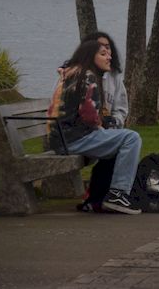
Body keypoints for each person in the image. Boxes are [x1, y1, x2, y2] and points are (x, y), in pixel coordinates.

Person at [47, 39, 143, 214]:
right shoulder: (87, 77)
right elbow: (89, 116)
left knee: (116, 143)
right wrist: (104, 127)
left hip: (61, 138)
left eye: (110, 54)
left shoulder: (74, 73)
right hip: (73, 139)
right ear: (91, 57)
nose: (109, 58)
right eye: (103, 54)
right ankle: (118, 194)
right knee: (131, 138)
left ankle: (97, 200)